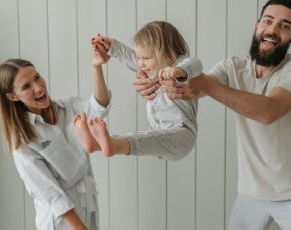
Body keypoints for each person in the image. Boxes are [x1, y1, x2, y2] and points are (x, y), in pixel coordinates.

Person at [134, 1, 291, 229]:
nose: (273, 30)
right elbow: (192, 85)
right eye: (268, 20)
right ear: (257, 25)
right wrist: (154, 79)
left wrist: (206, 85)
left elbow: (269, 111)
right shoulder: (232, 67)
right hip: (250, 194)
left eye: (285, 25)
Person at [0, 56, 111, 230]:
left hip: (88, 205)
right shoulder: (22, 140)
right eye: (26, 86)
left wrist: (97, 67)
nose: (38, 87)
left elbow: (99, 107)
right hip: (61, 221)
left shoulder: (68, 107)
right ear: (12, 96)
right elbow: (51, 194)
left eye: (37, 77)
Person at [75, 21, 202, 161]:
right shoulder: (152, 69)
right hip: (158, 132)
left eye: (146, 58)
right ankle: (98, 144)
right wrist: (111, 46)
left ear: (169, 54)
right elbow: (130, 57)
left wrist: (178, 71)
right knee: (141, 139)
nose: (141, 63)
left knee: (145, 139)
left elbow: (195, 63)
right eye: (139, 57)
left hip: (182, 133)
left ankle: (111, 144)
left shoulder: (179, 65)